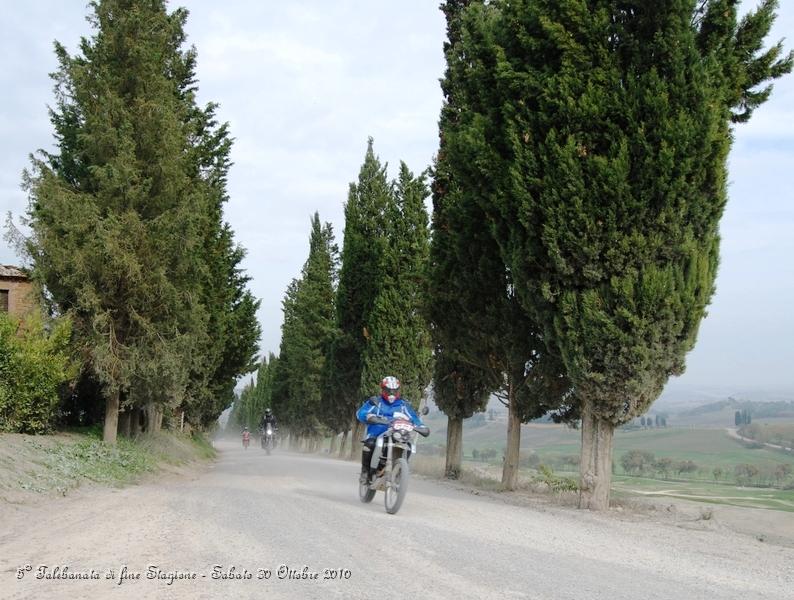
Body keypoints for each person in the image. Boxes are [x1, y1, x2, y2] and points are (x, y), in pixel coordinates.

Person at [356, 375, 425, 485]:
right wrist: (369, 416)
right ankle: (365, 472)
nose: (391, 393)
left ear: (398, 390)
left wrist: (421, 426)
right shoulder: (375, 402)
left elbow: (413, 417)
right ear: (383, 390)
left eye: (394, 391)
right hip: (376, 432)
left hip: (396, 433)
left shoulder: (403, 405)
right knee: (369, 444)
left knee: (408, 446)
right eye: (388, 391)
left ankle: (400, 470)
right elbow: (360, 413)